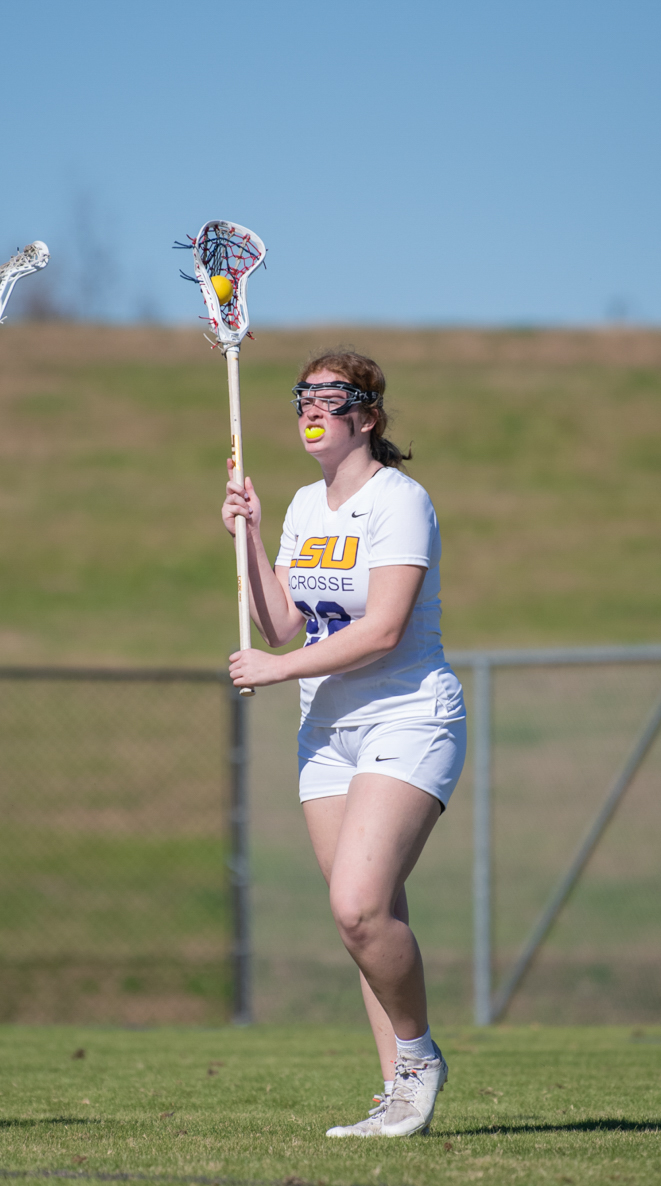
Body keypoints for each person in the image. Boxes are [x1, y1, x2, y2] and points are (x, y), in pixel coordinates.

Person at [221, 350, 465, 1138]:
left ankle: (420, 1059)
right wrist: (252, 538)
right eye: (304, 396)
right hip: (326, 732)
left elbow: (384, 628)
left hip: (407, 716)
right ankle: (396, 1091)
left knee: (357, 908)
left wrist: (279, 667)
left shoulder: (402, 501)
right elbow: (281, 621)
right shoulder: (301, 504)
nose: (312, 407)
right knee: (369, 920)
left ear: (368, 414)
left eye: (331, 396)